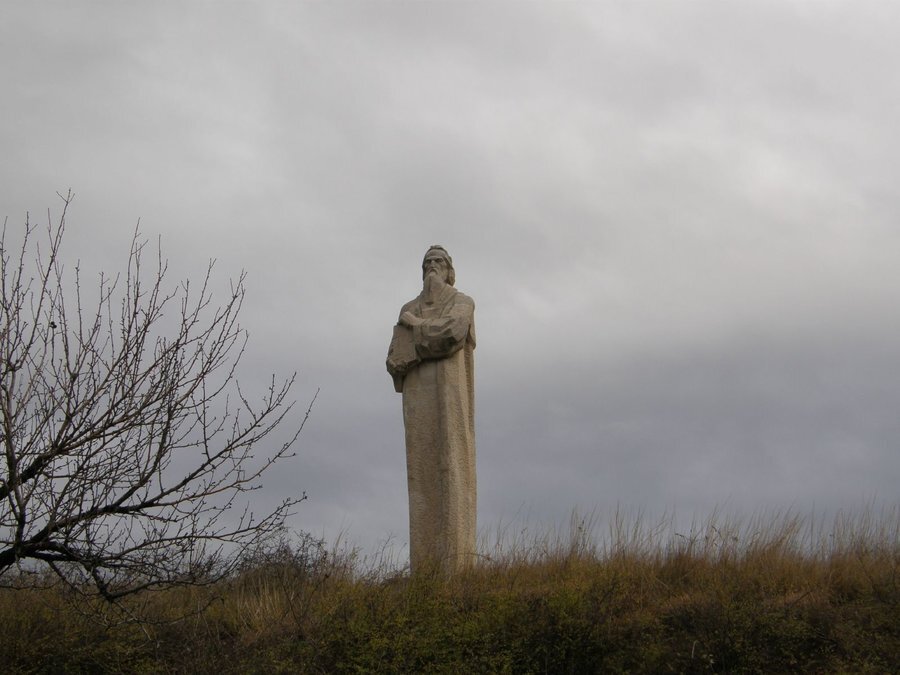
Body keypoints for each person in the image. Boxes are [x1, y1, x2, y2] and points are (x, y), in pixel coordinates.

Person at [387, 246, 476, 573]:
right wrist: (412, 338)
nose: (432, 268)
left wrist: (416, 329)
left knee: (451, 466)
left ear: (449, 270)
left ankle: (455, 570)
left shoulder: (462, 302)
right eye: (427, 263)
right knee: (421, 473)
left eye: (438, 262)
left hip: (449, 396)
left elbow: (451, 334)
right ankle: (423, 574)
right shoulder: (408, 308)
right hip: (417, 399)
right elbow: (396, 355)